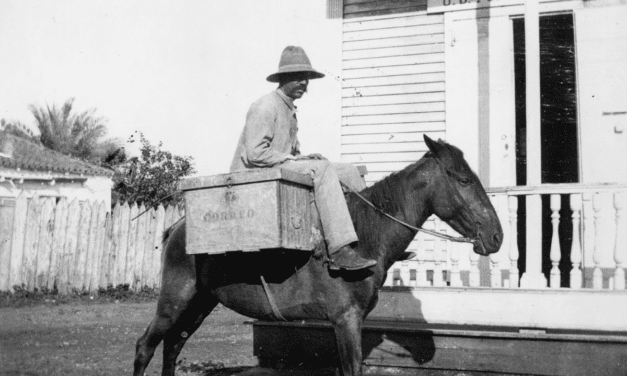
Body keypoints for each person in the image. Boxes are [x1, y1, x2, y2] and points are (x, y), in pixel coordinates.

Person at [230, 46, 377, 271]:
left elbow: (286, 153)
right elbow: (255, 153)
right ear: (283, 79)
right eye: (297, 77)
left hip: (274, 171)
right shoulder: (265, 106)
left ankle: (370, 238)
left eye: (306, 78)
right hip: (253, 179)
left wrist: (303, 157)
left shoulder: (288, 109)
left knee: (348, 170)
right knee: (323, 169)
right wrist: (297, 160)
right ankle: (339, 250)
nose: (304, 83)